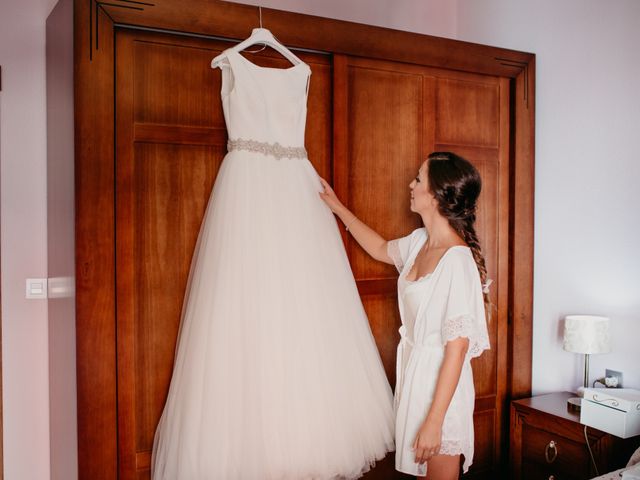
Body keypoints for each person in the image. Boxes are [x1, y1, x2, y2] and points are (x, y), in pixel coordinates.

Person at [319, 151, 490, 479]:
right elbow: (381, 249)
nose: (410, 186)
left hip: (442, 392)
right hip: (415, 378)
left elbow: (456, 349)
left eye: (418, 179)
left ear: (437, 194)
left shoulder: (457, 262)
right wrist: (337, 208)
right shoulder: (419, 242)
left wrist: (434, 422)